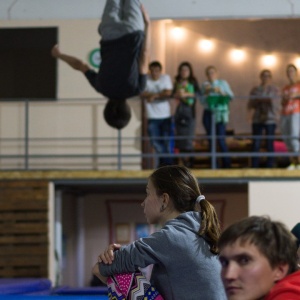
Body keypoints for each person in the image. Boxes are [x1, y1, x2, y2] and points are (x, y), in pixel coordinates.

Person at [93, 165, 226, 300]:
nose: (143, 203)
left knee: (120, 274)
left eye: (148, 193)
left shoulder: (172, 237)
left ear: (164, 200)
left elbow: (101, 268)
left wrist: (111, 256)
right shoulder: (201, 231)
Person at [51, 0, 150, 130]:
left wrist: (148, 25)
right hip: (109, 33)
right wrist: (59, 55)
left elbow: (144, 55)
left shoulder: (137, 89)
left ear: (128, 110)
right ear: (106, 109)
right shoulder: (101, 87)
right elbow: (81, 65)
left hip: (133, 33)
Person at [218, 216, 300, 300]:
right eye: (225, 262)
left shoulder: (290, 294)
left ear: (279, 270)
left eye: (244, 260)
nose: (229, 275)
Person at [140, 61, 173, 167]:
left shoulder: (165, 78)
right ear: (150, 71)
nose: (154, 73)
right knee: (155, 142)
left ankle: (164, 165)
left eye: (157, 71)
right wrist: (158, 94)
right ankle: (168, 162)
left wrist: (153, 96)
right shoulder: (146, 79)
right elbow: (141, 92)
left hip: (165, 116)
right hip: (152, 116)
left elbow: (168, 92)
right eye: (152, 71)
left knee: (166, 141)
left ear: (160, 71)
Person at [200, 65, 234, 168]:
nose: (211, 75)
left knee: (220, 139)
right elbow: (201, 101)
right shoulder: (204, 85)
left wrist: (220, 91)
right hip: (208, 112)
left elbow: (231, 97)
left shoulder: (223, 83)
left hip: (220, 113)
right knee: (211, 139)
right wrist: (206, 93)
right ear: (206, 75)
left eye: (213, 72)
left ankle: (227, 165)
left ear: (217, 73)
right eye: (209, 73)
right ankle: (213, 165)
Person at [247, 69, 280, 168]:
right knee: (256, 143)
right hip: (257, 119)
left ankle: (270, 165)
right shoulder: (255, 89)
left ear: (270, 78)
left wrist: (263, 100)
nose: (266, 78)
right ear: (260, 77)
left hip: (270, 119)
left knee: (270, 143)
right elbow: (251, 103)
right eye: (264, 76)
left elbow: (276, 103)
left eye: (268, 76)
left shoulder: (275, 89)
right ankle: (254, 166)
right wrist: (249, 116)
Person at [173, 62, 200, 168]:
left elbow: (199, 94)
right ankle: (182, 163)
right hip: (179, 112)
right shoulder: (176, 82)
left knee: (189, 139)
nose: (184, 72)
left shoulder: (193, 82)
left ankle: (191, 164)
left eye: (186, 70)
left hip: (189, 113)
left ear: (190, 72)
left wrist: (186, 94)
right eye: (182, 70)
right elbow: (172, 94)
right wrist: (178, 94)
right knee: (179, 139)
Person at [280, 64, 300, 170]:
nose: (290, 73)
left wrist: (295, 95)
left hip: (296, 112)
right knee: (287, 139)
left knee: (293, 137)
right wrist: (284, 99)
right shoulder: (285, 87)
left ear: (296, 72)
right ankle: (293, 162)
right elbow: (282, 102)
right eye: (288, 71)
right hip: (285, 113)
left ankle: (299, 162)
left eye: (292, 71)